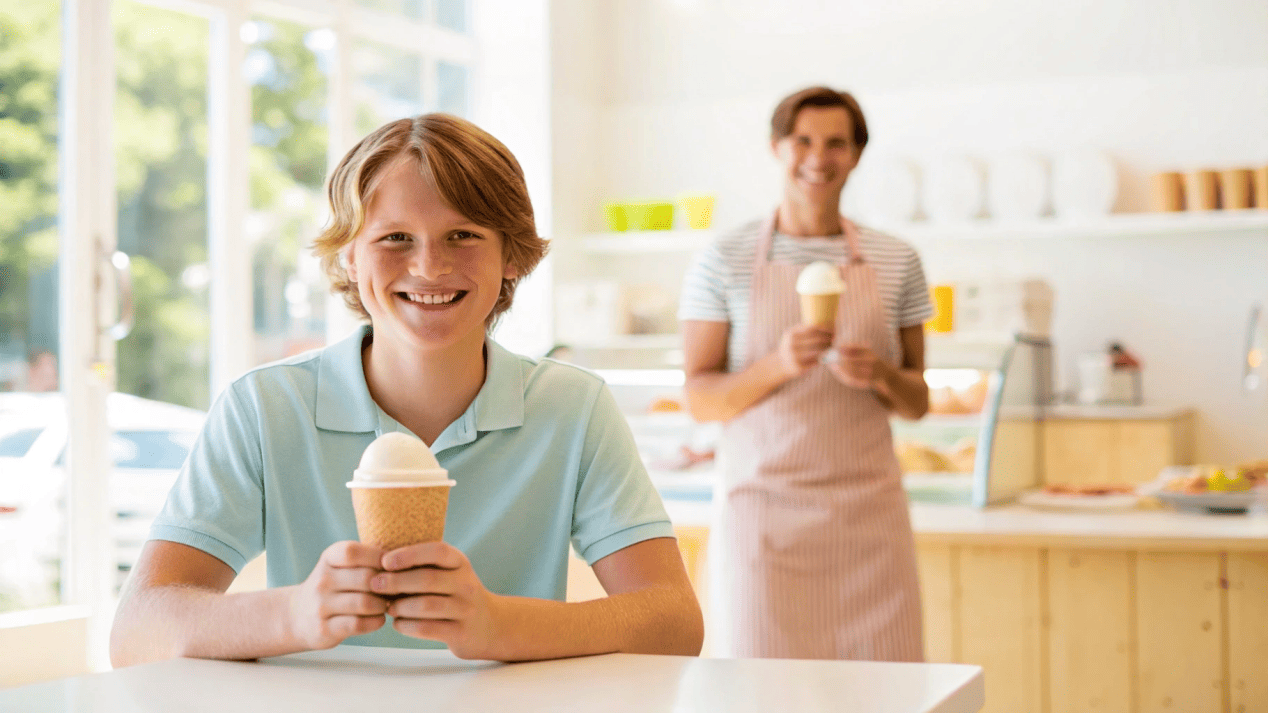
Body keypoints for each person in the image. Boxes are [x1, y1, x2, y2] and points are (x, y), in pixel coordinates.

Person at [111, 114, 704, 666]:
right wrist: (294, 613)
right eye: (395, 237)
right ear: (348, 256)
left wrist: (500, 626)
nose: (428, 267)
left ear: (512, 258)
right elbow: (136, 632)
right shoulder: (264, 408)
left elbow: (674, 622)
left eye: (463, 235)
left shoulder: (572, 409)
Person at [678, 86, 933, 661]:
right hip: (764, 523)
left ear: (858, 154)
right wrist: (777, 366)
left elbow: (918, 401)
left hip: (869, 522)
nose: (819, 157)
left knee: (884, 693)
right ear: (777, 147)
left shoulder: (897, 260)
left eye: (837, 142)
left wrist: (883, 376)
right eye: (804, 140)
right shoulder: (724, 257)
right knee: (762, 691)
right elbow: (700, 399)